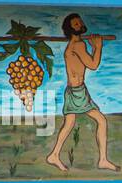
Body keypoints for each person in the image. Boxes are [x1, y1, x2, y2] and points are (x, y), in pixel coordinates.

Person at [47, 13, 117, 172]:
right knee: (101, 121)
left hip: (75, 90)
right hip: (77, 92)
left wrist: (93, 47)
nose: (80, 25)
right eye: (76, 24)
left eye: (80, 22)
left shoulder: (75, 44)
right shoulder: (78, 45)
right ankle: (103, 160)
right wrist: (98, 47)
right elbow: (92, 65)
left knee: (69, 124)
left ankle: (54, 154)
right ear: (70, 29)